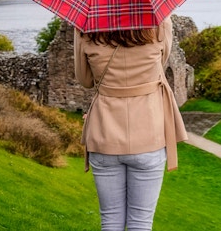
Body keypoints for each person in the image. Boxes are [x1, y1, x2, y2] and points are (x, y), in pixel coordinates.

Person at [74, 16, 187, 231]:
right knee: (142, 223)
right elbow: (160, 65)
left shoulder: (85, 23)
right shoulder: (160, 20)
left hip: (104, 134)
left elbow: (85, 80)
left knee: (110, 221)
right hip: (149, 133)